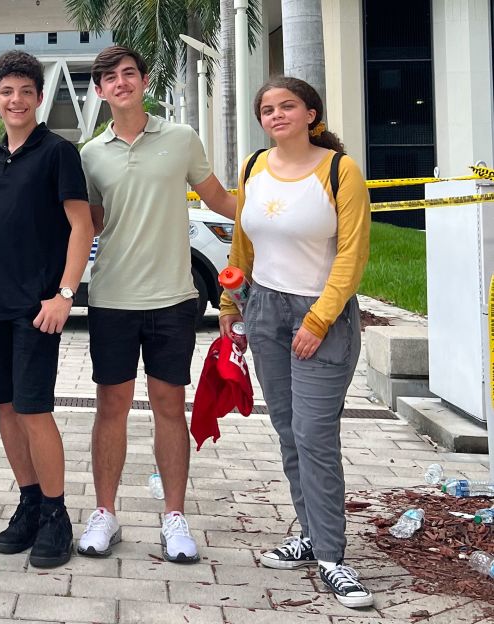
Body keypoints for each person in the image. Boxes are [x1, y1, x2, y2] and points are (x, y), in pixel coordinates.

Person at [76, 46, 236, 563]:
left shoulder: (181, 139)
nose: (120, 83)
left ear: (144, 81)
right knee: (111, 408)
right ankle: (105, 513)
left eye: (129, 74)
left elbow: (220, 200)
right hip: (112, 298)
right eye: (109, 78)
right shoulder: (89, 154)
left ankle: (174, 517)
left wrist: (279, 207)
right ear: (98, 91)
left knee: (170, 406)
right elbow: (90, 225)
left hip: (172, 299)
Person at [219, 76, 372, 608]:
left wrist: (319, 319)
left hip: (319, 316)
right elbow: (243, 243)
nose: (277, 115)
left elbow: (352, 256)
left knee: (314, 434)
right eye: (268, 108)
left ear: (312, 113)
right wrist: (231, 306)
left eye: (288, 106)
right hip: (264, 309)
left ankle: (333, 556)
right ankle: (308, 535)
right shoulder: (254, 166)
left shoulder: (340, 170)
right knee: (287, 430)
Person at [0, 50, 95, 568]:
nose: (16, 100)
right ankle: (30, 502)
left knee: (35, 409)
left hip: (38, 307)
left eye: (26, 92)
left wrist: (64, 294)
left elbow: (82, 226)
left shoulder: (59, 153)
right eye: (6, 92)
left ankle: (57, 514)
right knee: (7, 410)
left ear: (39, 98)